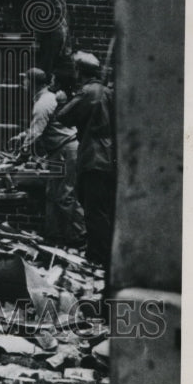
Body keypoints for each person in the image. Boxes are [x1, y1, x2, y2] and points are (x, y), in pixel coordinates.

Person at [10, 67, 86, 248]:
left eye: (25, 80)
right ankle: (55, 236)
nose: (23, 84)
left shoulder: (42, 104)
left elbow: (36, 133)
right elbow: (42, 127)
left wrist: (20, 156)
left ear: (33, 83)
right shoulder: (46, 99)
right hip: (60, 150)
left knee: (65, 195)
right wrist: (22, 136)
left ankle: (77, 238)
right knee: (53, 194)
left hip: (65, 150)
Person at [56, 50, 116, 268]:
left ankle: (97, 257)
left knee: (93, 210)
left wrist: (63, 99)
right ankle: (104, 254)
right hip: (110, 156)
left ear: (79, 71)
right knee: (104, 209)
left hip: (94, 156)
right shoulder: (107, 92)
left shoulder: (88, 92)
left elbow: (64, 117)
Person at [16, 0, 68, 79]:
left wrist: (36, 40)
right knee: (46, 71)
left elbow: (41, 15)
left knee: (43, 73)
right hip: (52, 33)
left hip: (49, 35)